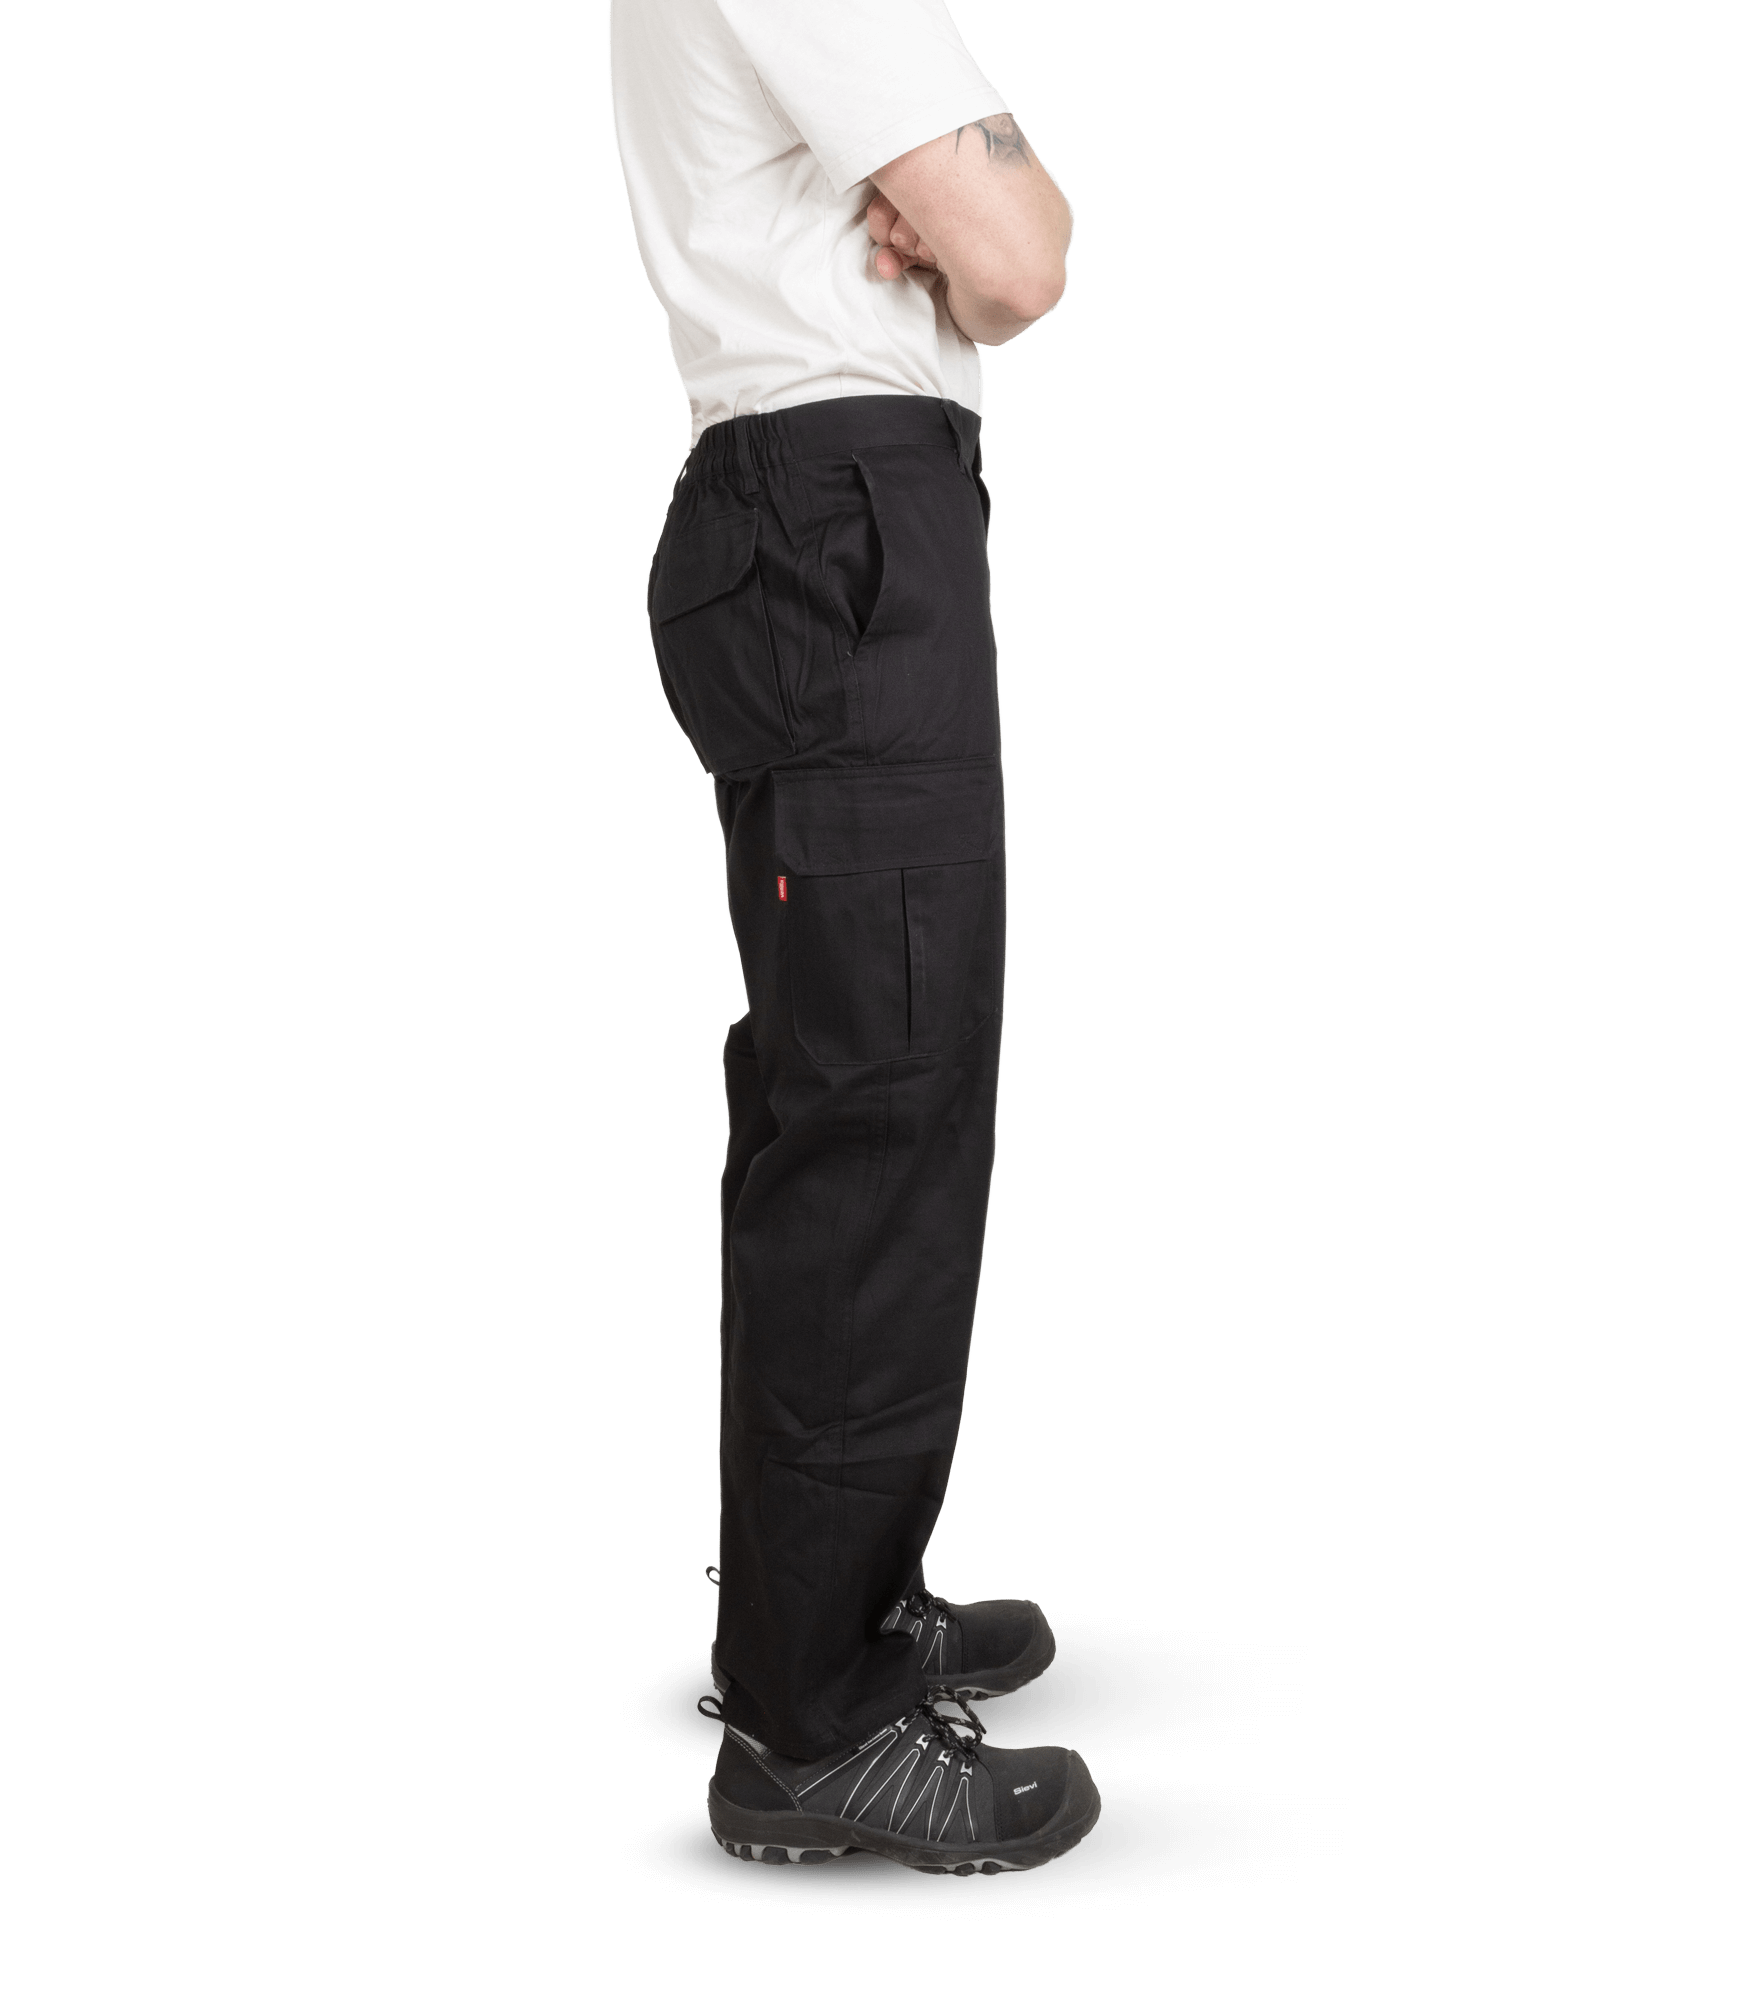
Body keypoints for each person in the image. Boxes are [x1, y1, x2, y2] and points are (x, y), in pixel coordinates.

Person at [608, 1, 1098, 1877]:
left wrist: (980, 208)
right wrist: (984, 204)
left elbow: (1012, 236)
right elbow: (1023, 257)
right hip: (838, 514)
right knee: (880, 1107)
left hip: (830, 516)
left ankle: (835, 1596)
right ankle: (814, 1727)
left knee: (867, 1093)